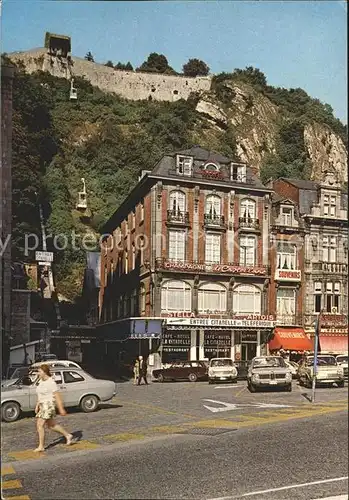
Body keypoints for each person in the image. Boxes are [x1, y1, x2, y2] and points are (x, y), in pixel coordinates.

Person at [34, 364, 73, 452]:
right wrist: (37, 405)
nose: (38, 373)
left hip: (48, 405)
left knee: (40, 425)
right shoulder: (41, 381)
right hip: (42, 405)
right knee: (51, 425)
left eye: (39, 371)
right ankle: (67, 435)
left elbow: (57, 396)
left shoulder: (51, 382)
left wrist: (61, 408)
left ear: (44, 372)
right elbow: (39, 395)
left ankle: (41, 446)